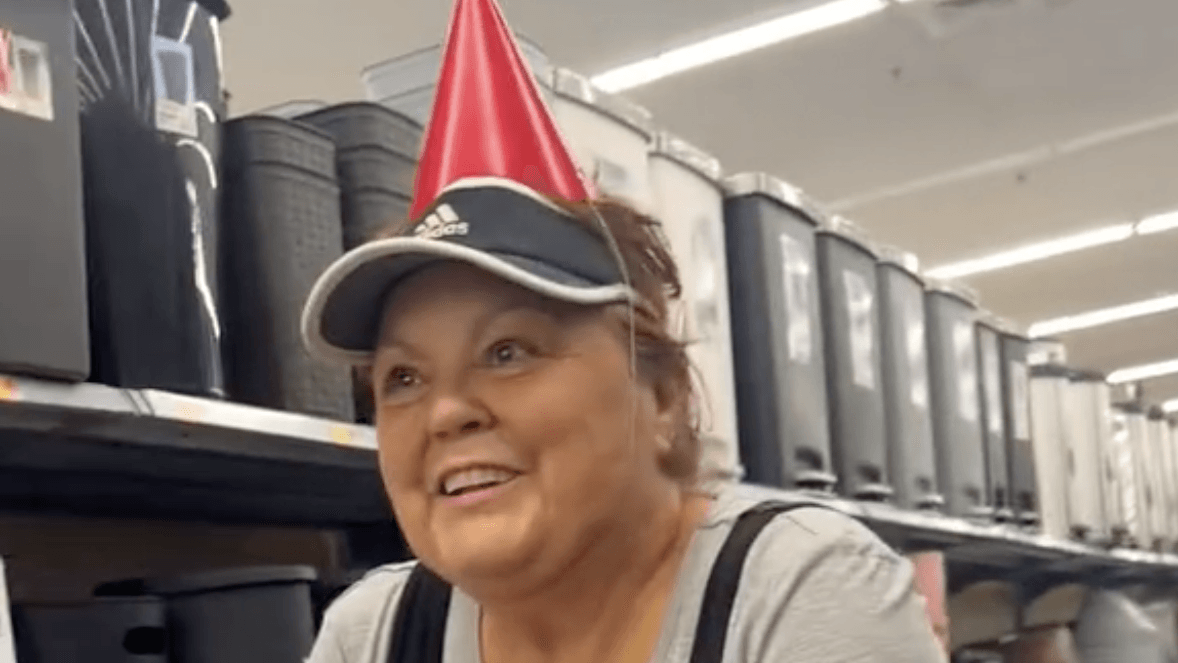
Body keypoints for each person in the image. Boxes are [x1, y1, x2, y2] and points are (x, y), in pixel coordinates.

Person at [299, 1, 947, 661]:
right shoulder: (372, 633)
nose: (445, 412)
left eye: (507, 351)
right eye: (403, 377)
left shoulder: (805, 591)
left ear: (663, 393)